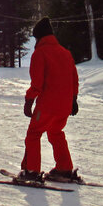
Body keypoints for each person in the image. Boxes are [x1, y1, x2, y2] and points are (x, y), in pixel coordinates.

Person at [19, 17, 80, 183]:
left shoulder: (40, 54)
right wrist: (73, 100)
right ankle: (64, 168)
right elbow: (74, 79)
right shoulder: (65, 53)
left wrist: (28, 101)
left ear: (39, 37)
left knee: (34, 134)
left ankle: (31, 171)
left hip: (47, 106)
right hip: (64, 106)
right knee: (56, 133)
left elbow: (37, 84)